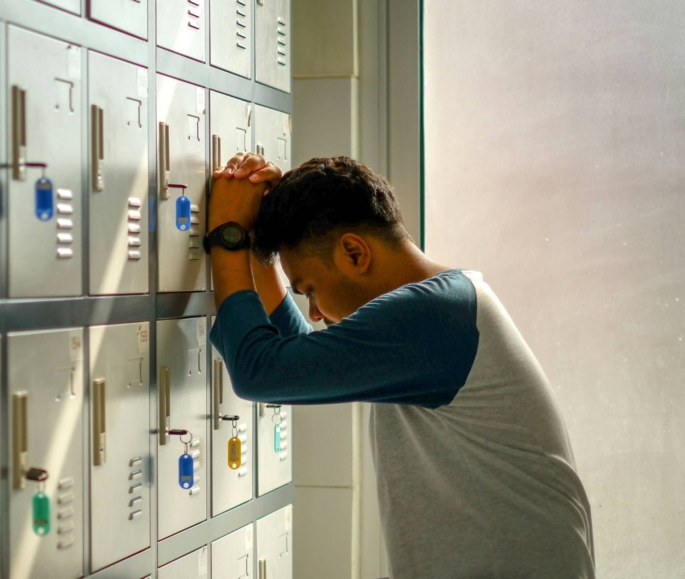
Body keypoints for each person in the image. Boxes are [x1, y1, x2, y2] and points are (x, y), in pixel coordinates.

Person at [205, 154, 595, 579]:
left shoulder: (431, 318)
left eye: (311, 290)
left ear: (354, 252)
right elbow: (293, 353)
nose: (314, 313)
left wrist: (227, 234)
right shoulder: (445, 305)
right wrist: (261, 242)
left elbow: (262, 371)